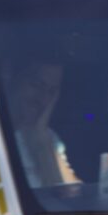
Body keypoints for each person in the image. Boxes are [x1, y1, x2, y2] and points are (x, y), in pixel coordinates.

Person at [6, 55, 78, 186]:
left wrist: (43, 142)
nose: (43, 98)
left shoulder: (48, 137)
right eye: (37, 85)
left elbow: (72, 195)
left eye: (51, 91)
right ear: (14, 80)